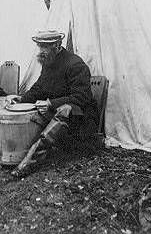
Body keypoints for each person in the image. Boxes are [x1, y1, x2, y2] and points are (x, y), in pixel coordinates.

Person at [9, 30, 99, 176]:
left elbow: (82, 97)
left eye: (45, 47)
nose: (41, 51)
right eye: (40, 46)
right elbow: (39, 88)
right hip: (60, 116)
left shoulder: (75, 64)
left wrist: (51, 103)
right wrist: (21, 98)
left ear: (57, 45)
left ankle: (28, 163)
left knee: (65, 109)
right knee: (21, 111)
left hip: (82, 119)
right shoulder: (48, 62)